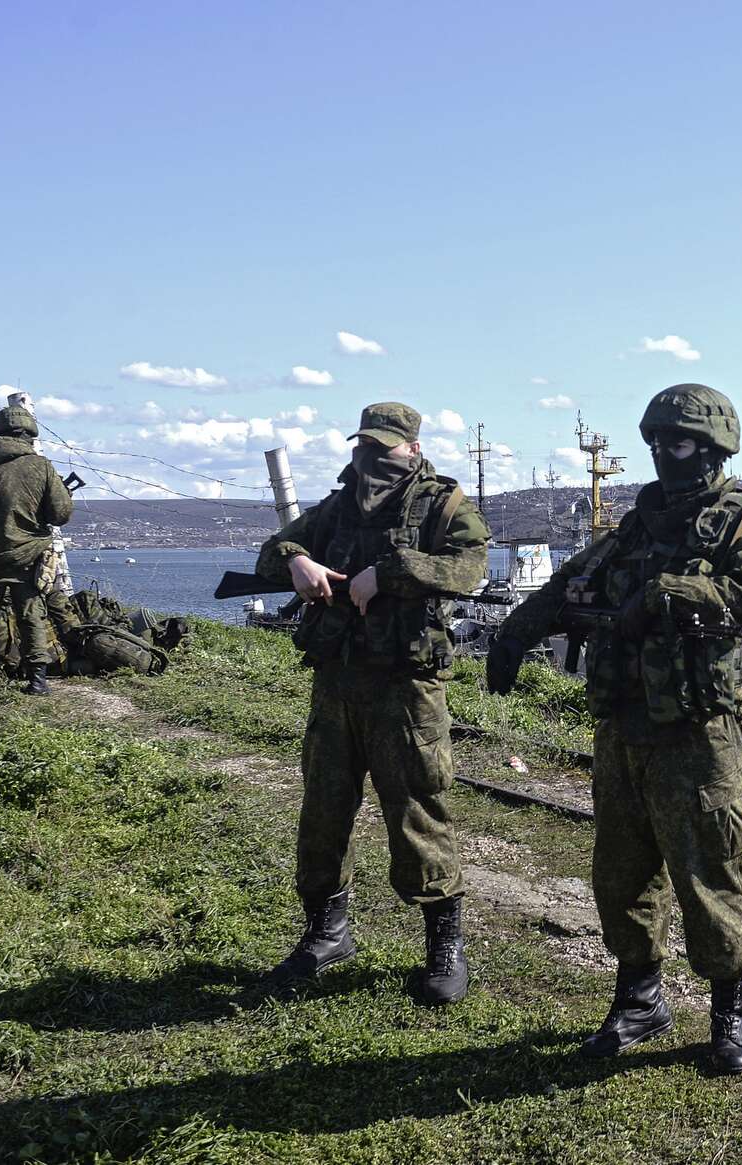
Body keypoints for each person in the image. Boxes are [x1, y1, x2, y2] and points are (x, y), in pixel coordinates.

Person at [486, 384, 742, 1073]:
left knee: (710, 869)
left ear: (710, 449)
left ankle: (729, 1011)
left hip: (696, 733)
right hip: (622, 727)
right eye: (655, 443)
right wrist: (515, 632)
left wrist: (665, 594)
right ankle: (640, 999)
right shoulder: (635, 528)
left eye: (676, 443)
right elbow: (571, 586)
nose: (663, 455)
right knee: (621, 872)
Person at [256, 402, 489, 1005]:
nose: (371, 458)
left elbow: (469, 568)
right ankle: (326, 931)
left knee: (417, 809)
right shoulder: (339, 504)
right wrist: (296, 560)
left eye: (385, 448)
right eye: (365, 446)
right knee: (324, 808)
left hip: (405, 685)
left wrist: (388, 573)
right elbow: (274, 549)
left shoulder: (442, 504)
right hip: (336, 680)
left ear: (412, 448)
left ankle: (444, 946)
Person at [0, 403, 74, 694]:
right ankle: (37, 680)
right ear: (29, 433)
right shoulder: (41, 466)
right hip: (29, 556)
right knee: (31, 615)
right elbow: (59, 515)